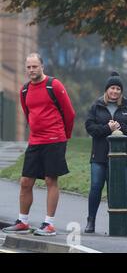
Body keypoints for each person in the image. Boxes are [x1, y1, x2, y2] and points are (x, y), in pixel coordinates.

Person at [2, 53, 75, 236]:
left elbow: (69, 113)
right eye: (28, 67)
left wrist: (63, 137)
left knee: (51, 180)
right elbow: (28, 114)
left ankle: (49, 224)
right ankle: (23, 222)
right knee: (25, 182)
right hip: (35, 141)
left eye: (35, 66)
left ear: (42, 66)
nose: (31, 70)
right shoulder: (24, 90)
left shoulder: (54, 85)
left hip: (54, 140)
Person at [84, 72, 127, 234]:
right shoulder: (97, 106)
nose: (114, 91)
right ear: (107, 90)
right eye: (112, 88)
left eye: (117, 89)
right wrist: (107, 128)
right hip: (99, 156)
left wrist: (119, 127)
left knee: (122, 189)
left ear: (121, 91)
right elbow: (90, 127)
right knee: (95, 187)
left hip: (121, 157)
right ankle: (91, 221)